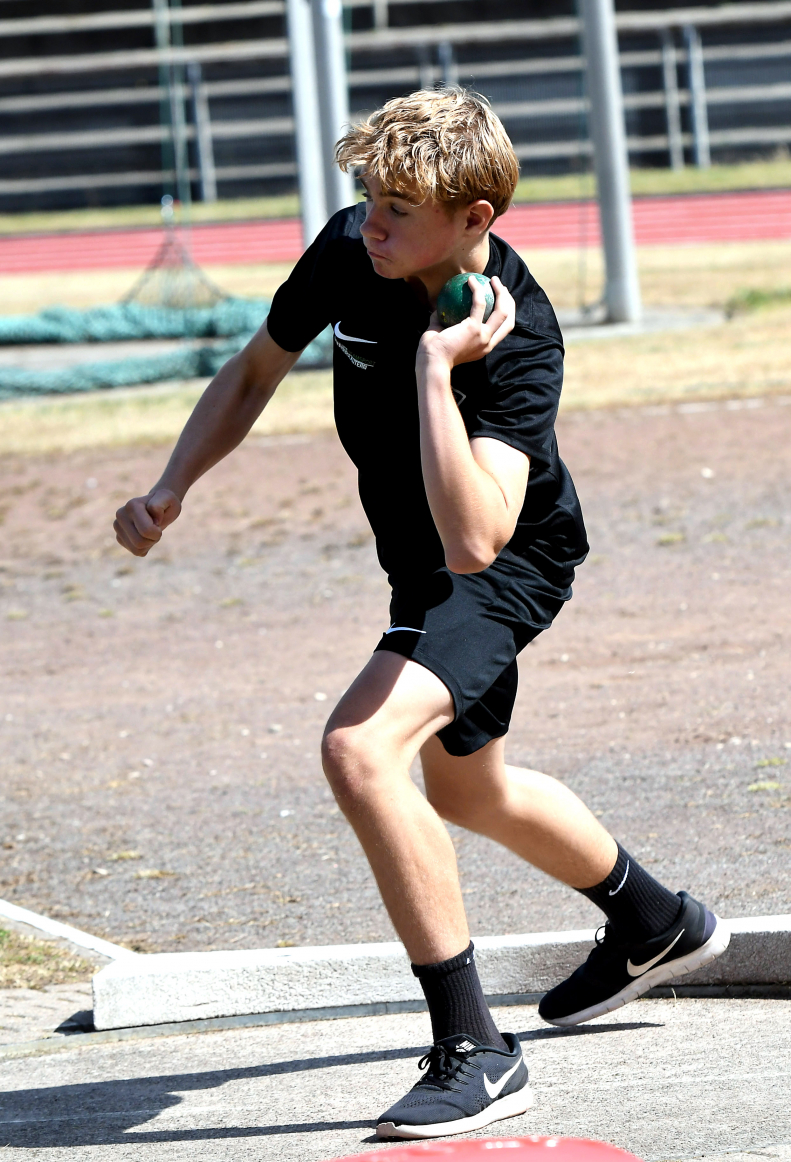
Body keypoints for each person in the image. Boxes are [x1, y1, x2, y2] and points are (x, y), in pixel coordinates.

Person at [114, 88, 730, 1140]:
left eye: (398, 206)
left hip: (498, 562)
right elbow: (257, 368)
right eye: (366, 196)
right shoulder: (352, 249)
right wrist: (174, 483)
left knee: (360, 747)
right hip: (424, 565)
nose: (371, 222)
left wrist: (436, 377)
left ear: (475, 219)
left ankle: (475, 1050)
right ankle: (652, 921)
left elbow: (478, 539)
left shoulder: (517, 334)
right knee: (466, 784)